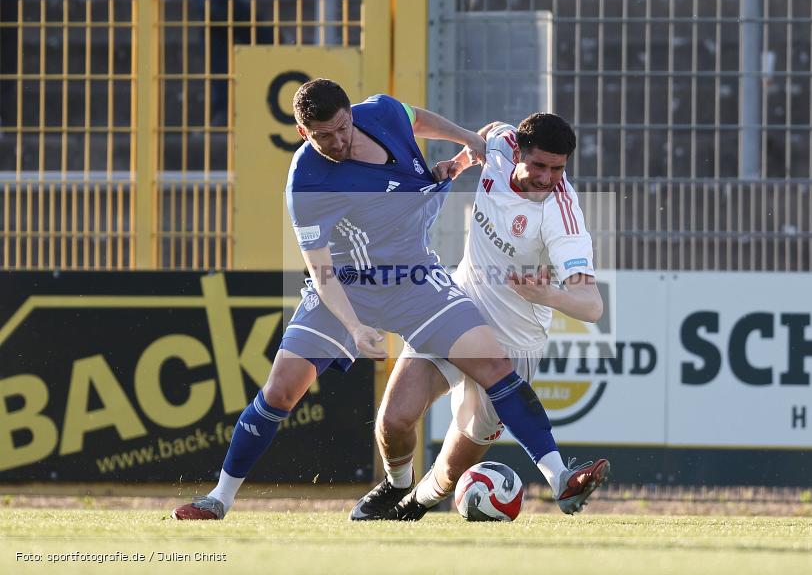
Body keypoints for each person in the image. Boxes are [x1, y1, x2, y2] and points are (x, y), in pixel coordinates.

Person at [173, 79, 604, 520]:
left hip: (415, 279)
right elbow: (321, 271)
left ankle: (557, 478)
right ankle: (220, 498)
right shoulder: (306, 181)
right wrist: (356, 327)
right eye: (322, 135)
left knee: (494, 374)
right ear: (304, 133)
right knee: (283, 391)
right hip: (345, 289)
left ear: (352, 115)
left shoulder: (381, 112)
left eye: (342, 128)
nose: (336, 141)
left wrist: (468, 145)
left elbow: (418, 118)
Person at [356, 114, 609, 521]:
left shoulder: (562, 217)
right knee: (394, 419)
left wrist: (548, 293)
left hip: (512, 345)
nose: (548, 178)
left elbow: (592, 304)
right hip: (456, 310)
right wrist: (459, 163)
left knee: (454, 467)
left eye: (558, 169)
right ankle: (395, 484)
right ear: (518, 152)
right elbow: (492, 131)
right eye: (539, 165)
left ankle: (411, 508)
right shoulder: (501, 146)